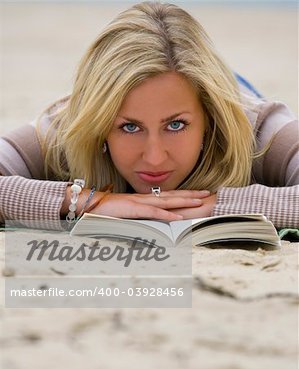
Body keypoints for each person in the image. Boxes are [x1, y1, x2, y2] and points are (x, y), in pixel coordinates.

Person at [0, 1, 298, 231]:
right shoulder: (70, 127)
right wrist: (90, 202)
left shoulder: (261, 129)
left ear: (209, 121)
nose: (154, 158)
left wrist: (214, 206)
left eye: (176, 125)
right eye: (130, 127)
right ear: (101, 126)